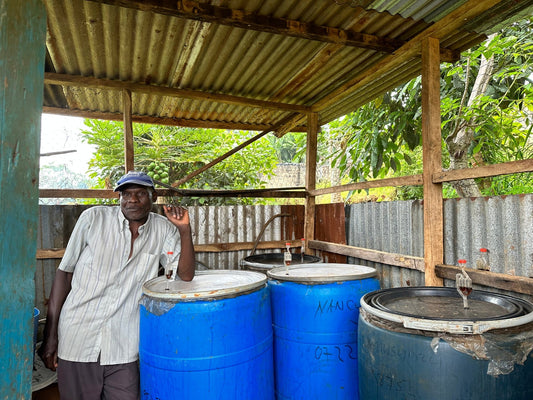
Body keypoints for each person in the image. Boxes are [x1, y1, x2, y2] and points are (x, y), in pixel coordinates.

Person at [38, 170, 195, 400]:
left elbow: (187, 275)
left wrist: (184, 230)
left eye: (140, 193)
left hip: (124, 344)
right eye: (125, 194)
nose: (132, 199)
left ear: (153, 196)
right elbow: (64, 273)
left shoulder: (162, 229)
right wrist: (50, 336)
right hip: (79, 337)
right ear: (119, 197)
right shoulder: (93, 219)